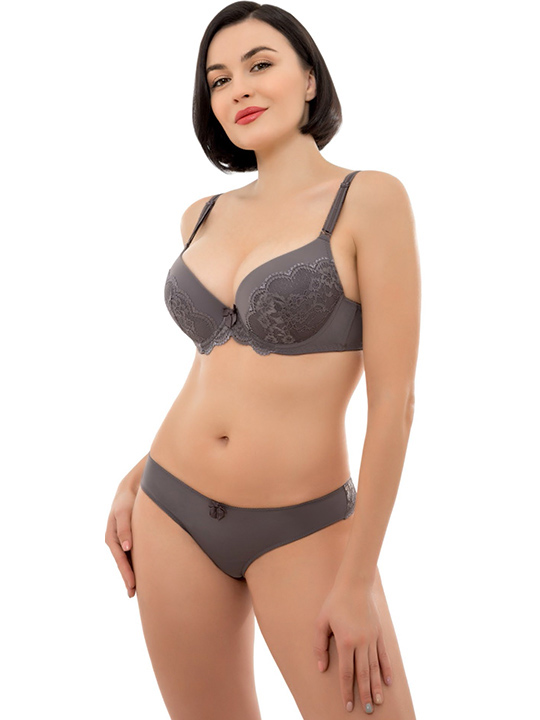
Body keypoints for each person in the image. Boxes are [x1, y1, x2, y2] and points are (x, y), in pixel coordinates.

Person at [105, 2, 420, 718]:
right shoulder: (201, 215)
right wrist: (139, 473)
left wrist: (357, 581)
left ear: (309, 79)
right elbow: (215, 366)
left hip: (305, 528)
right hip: (171, 510)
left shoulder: (369, 199)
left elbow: (394, 402)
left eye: (259, 64)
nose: (237, 89)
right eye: (219, 79)